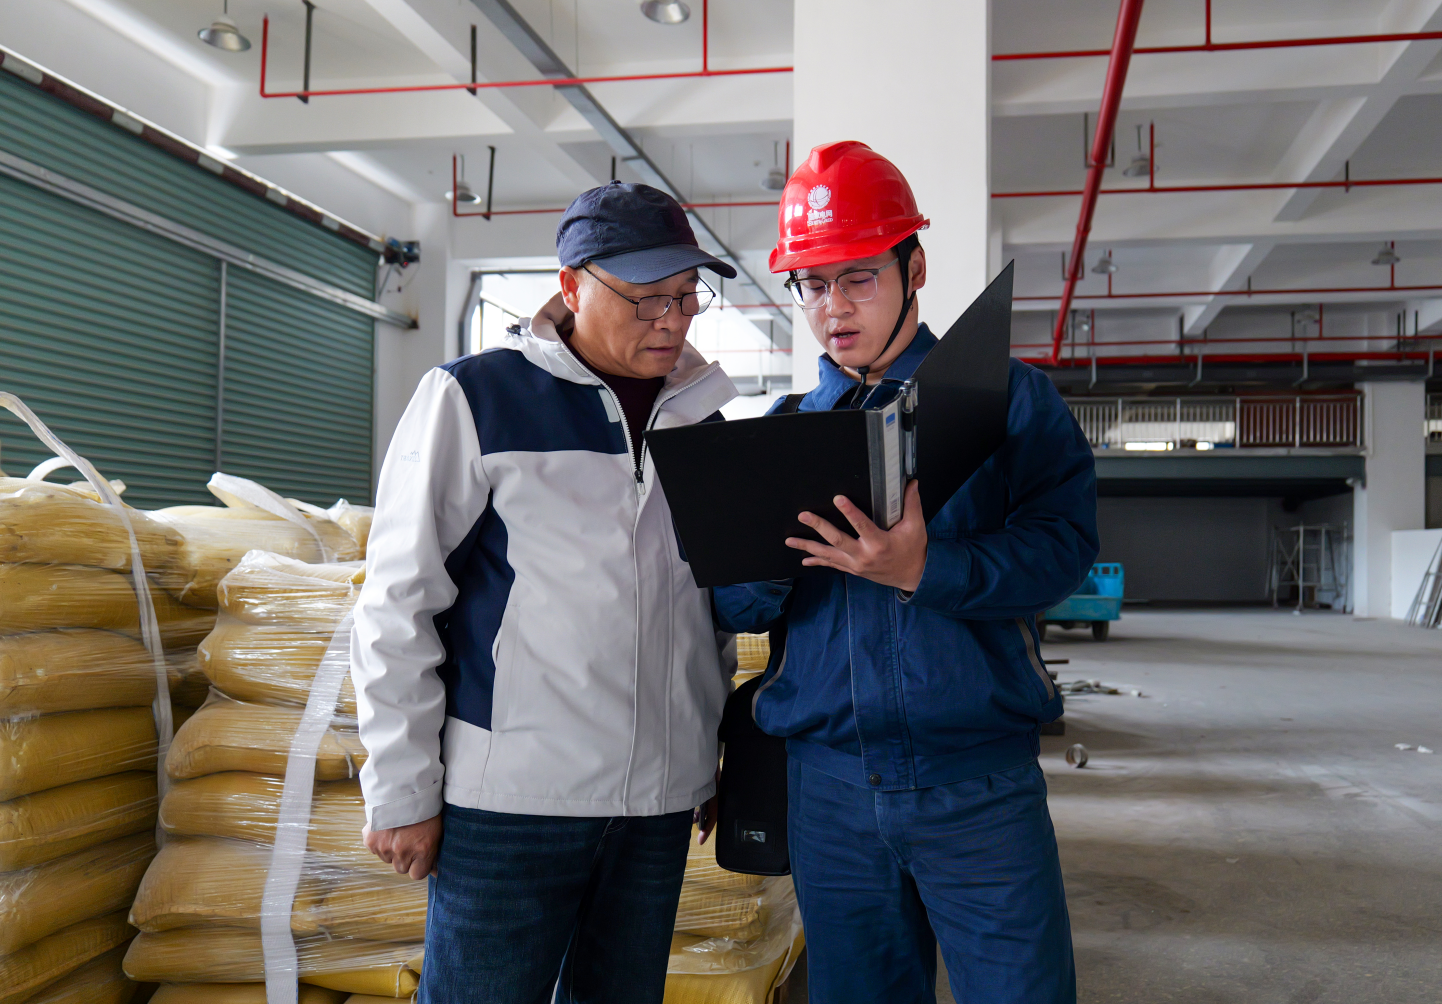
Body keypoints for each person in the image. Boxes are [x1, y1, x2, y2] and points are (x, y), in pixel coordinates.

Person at [713, 141, 1099, 1004]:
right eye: (813, 284)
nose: (834, 308)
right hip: (831, 790)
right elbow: (735, 604)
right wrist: (769, 562)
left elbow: (1063, 549)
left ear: (913, 267)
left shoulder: (1008, 401)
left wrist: (928, 567)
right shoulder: (780, 432)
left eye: (858, 277)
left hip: (977, 786)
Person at [351, 182, 739, 1004]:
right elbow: (398, 601)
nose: (672, 320)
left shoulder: (702, 420)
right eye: (646, 298)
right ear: (572, 287)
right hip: (512, 805)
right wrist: (401, 788)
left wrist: (702, 757)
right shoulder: (476, 398)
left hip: (654, 809)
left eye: (686, 296)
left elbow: (705, 607)